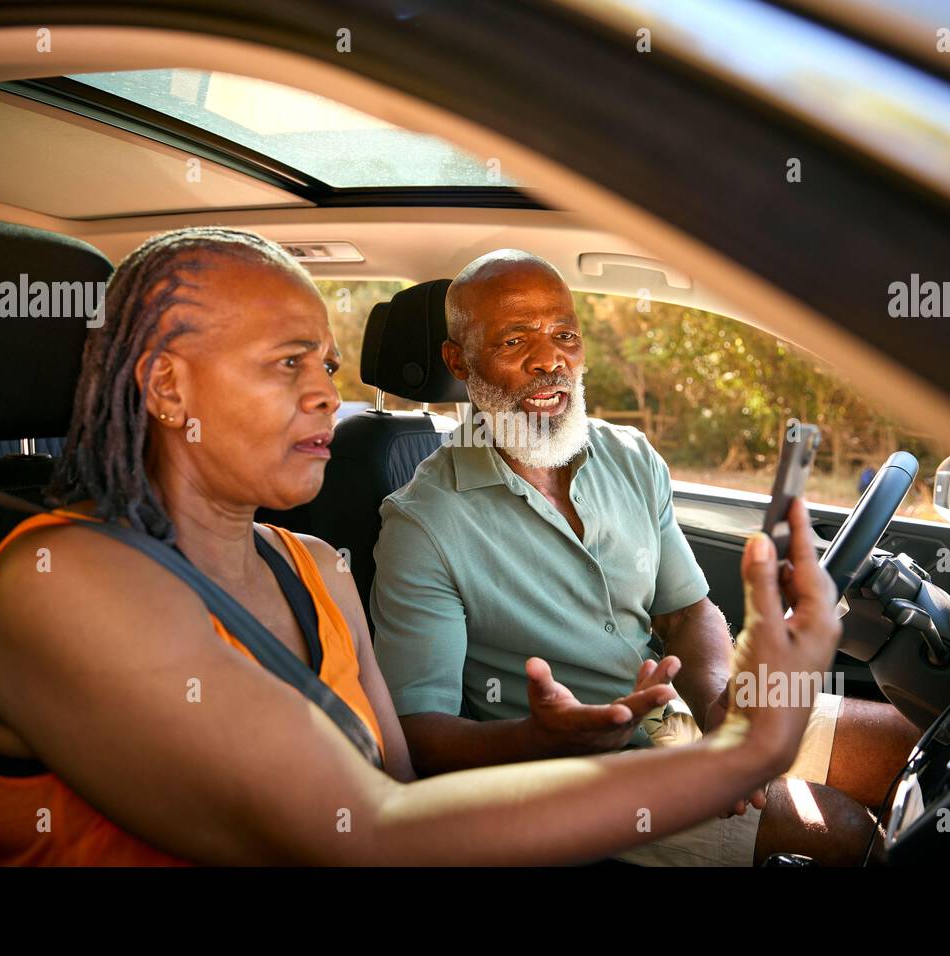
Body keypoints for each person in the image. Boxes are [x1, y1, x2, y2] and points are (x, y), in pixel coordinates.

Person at [0, 227, 843, 865]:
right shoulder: (60, 581)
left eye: (326, 368)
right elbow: (371, 833)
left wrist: (549, 741)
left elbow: (408, 791)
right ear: (168, 386)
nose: (324, 396)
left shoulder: (315, 568)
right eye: (287, 362)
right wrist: (748, 749)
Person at [370, 249, 921, 865]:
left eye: (565, 335)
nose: (548, 359)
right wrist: (540, 738)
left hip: (678, 717)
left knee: (916, 749)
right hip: (578, 782)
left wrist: (717, 709)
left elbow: (687, 612)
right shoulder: (422, 524)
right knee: (847, 832)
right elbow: (418, 735)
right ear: (458, 360)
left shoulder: (629, 456)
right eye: (514, 339)